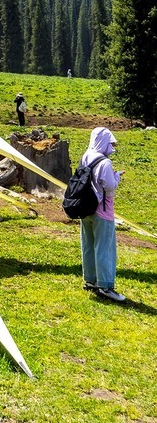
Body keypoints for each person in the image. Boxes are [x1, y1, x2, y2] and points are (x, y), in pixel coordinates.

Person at [79, 126, 126, 302]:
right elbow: (110, 187)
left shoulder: (85, 156)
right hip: (103, 212)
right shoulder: (105, 163)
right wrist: (117, 176)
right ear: (104, 141)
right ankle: (105, 286)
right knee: (104, 248)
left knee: (88, 245)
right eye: (110, 142)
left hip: (85, 209)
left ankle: (90, 280)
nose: (112, 147)